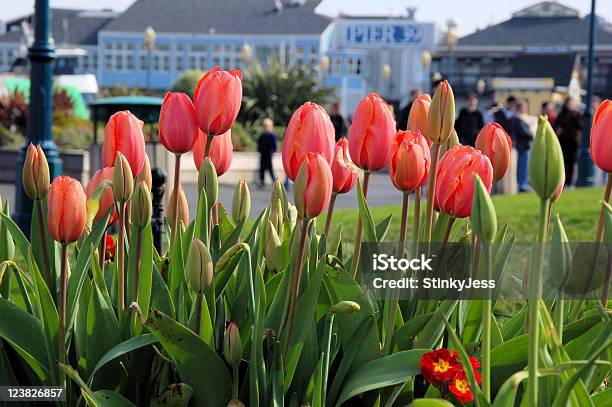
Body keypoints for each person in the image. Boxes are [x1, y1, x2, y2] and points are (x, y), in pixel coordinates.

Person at [555, 97, 583, 187]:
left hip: (573, 141)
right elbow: (556, 126)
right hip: (563, 141)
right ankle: (562, 181)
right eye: (569, 103)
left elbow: (581, 127)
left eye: (572, 103)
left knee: (571, 163)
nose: (571, 105)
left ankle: (569, 182)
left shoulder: (578, 115)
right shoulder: (562, 114)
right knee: (563, 162)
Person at [514, 99, 537, 192]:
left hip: (527, 145)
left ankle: (525, 183)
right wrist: (531, 134)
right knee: (523, 166)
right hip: (523, 146)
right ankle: (522, 184)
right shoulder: (518, 119)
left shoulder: (523, 118)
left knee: (526, 165)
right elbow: (524, 133)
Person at [256, 118, 278, 188]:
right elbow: (259, 143)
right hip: (263, 155)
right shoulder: (262, 135)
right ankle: (262, 182)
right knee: (262, 169)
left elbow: (274, 145)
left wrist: (272, 151)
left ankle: (275, 182)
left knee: (270, 169)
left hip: (268, 155)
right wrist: (259, 149)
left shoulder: (272, 135)